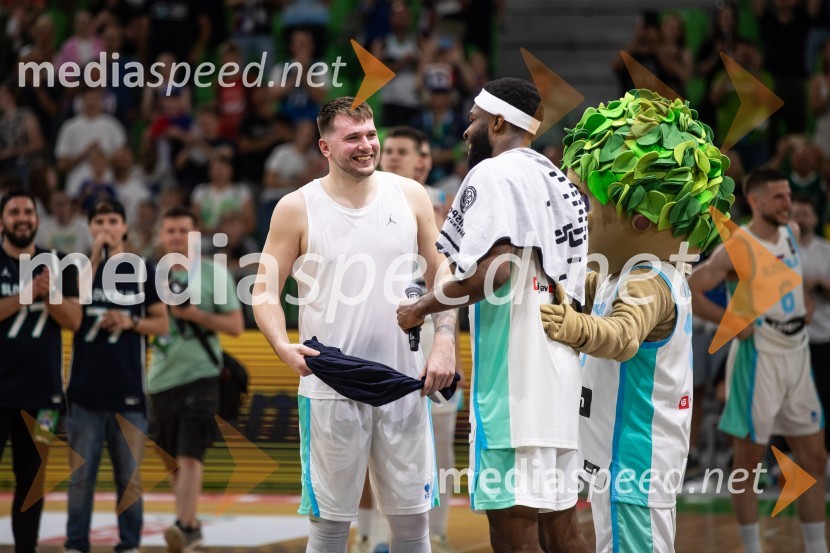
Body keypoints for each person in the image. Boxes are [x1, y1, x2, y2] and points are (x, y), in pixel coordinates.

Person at [253, 97, 457, 553]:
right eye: (352, 138)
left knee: (411, 527)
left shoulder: (410, 194)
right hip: (331, 385)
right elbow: (264, 290)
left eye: (370, 135)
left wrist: (444, 340)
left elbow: (442, 271)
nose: (366, 146)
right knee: (329, 529)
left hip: (405, 381)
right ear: (325, 147)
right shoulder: (296, 206)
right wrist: (282, 346)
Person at [396, 77, 590, 553]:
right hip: (561, 377)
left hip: (515, 384)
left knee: (512, 529)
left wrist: (421, 307)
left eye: (473, 120)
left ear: (499, 122)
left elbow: (495, 273)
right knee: (562, 525)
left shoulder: (494, 174)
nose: (466, 132)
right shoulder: (558, 179)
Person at [541, 90, 734, 552]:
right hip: (615, 460)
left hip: (636, 461)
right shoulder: (621, 271)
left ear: (643, 219)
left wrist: (570, 326)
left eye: (585, 202)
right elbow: (578, 280)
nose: (578, 214)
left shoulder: (650, 281)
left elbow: (623, 336)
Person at [689, 168, 828, 553]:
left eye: (789, 196)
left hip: (797, 354)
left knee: (814, 457)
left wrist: (806, 302)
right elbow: (693, 289)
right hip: (758, 356)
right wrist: (731, 321)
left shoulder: (793, 234)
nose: (790, 204)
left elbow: (792, 281)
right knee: (748, 463)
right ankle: (752, 548)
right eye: (780, 197)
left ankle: (816, 547)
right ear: (756, 201)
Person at [64, 199, 169, 553]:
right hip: (83, 397)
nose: (106, 227)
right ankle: (76, 544)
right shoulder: (78, 269)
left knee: (130, 481)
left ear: (124, 227)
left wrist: (130, 321)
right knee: (80, 481)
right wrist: (93, 259)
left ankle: (129, 545)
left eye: (112, 221)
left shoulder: (143, 270)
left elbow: (163, 323)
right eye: (98, 222)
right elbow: (71, 316)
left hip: (129, 397)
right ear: (90, 228)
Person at [149, 206, 245, 552]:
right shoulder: (149, 275)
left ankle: (183, 525)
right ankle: (190, 524)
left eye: (182, 230)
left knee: (190, 456)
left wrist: (193, 314)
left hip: (202, 374)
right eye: (170, 230)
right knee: (173, 459)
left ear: (195, 235)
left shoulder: (212, 274)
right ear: (161, 235)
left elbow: (235, 325)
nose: (175, 236)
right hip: (159, 378)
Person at [0, 189, 81, 553]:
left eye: (28, 212)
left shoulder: (59, 264)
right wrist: (28, 291)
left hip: (43, 397)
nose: (22, 218)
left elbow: (75, 320)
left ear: (37, 219)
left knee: (32, 482)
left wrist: (49, 294)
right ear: (2, 221)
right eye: (14, 211)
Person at [793, 197, 830, 453]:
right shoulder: (782, 249)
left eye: (807, 213)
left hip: (822, 334)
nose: (802, 218)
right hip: (790, 337)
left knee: (823, 395)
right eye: (798, 214)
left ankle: (824, 454)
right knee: (792, 399)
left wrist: (817, 286)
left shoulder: (825, 250)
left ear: (815, 219)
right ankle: (787, 456)